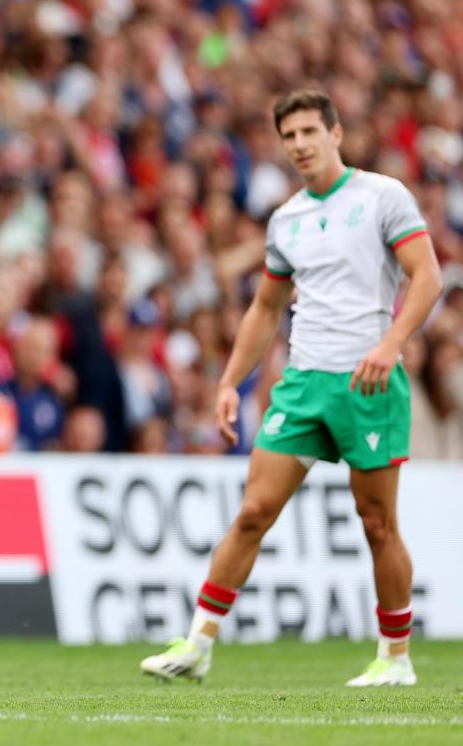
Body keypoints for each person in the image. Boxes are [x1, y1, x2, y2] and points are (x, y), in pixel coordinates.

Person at [140, 89, 442, 687]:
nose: (300, 144)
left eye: (309, 131)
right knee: (253, 511)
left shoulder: (382, 196)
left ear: (336, 133)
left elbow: (426, 276)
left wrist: (390, 344)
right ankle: (199, 644)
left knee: (377, 522)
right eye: (289, 136)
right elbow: (264, 307)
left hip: (368, 380)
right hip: (303, 382)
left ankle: (395, 658)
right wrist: (230, 380)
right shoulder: (286, 220)